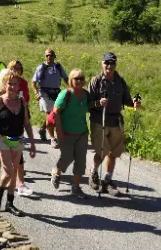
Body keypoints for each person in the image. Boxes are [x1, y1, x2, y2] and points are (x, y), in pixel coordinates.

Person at [86, 52, 141, 197]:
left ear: (116, 64)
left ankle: (108, 180)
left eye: (112, 63)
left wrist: (134, 103)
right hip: (99, 120)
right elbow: (87, 104)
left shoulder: (120, 81)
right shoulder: (96, 80)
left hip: (116, 121)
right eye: (107, 63)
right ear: (102, 63)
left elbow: (127, 100)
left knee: (114, 152)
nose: (109, 66)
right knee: (101, 151)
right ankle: (94, 173)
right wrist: (98, 103)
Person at [0, 70, 36, 216]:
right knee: (8, 170)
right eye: (10, 84)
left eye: (15, 84)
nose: (12, 87)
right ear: (5, 84)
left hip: (17, 138)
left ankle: (10, 203)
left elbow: (27, 124)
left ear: (19, 85)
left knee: (14, 170)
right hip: (2, 138)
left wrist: (33, 143)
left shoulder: (21, 101)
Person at [49, 69, 91, 199]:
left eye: (81, 78)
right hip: (66, 133)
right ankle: (56, 170)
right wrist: (59, 132)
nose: (79, 81)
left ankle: (76, 187)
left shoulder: (85, 94)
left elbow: (89, 107)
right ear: (71, 80)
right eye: (76, 78)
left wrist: (99, 103)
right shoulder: (65, 94)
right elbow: (56, 113)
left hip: (82, 133)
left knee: (81, 160)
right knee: (67, 158)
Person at [32, 48, 69, 148]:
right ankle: (53, 139)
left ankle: (42, 129)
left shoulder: (58, 67)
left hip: (56, 93)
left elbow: (66, 78)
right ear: (45, 57)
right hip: (44, 93)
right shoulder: (41, 67)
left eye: (51, 55)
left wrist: (73, 87)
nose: (49, 57)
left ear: (54, 56)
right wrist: (36, 92)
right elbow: (33, 82)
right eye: (47, 55)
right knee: (50, 115)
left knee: (54, 115)